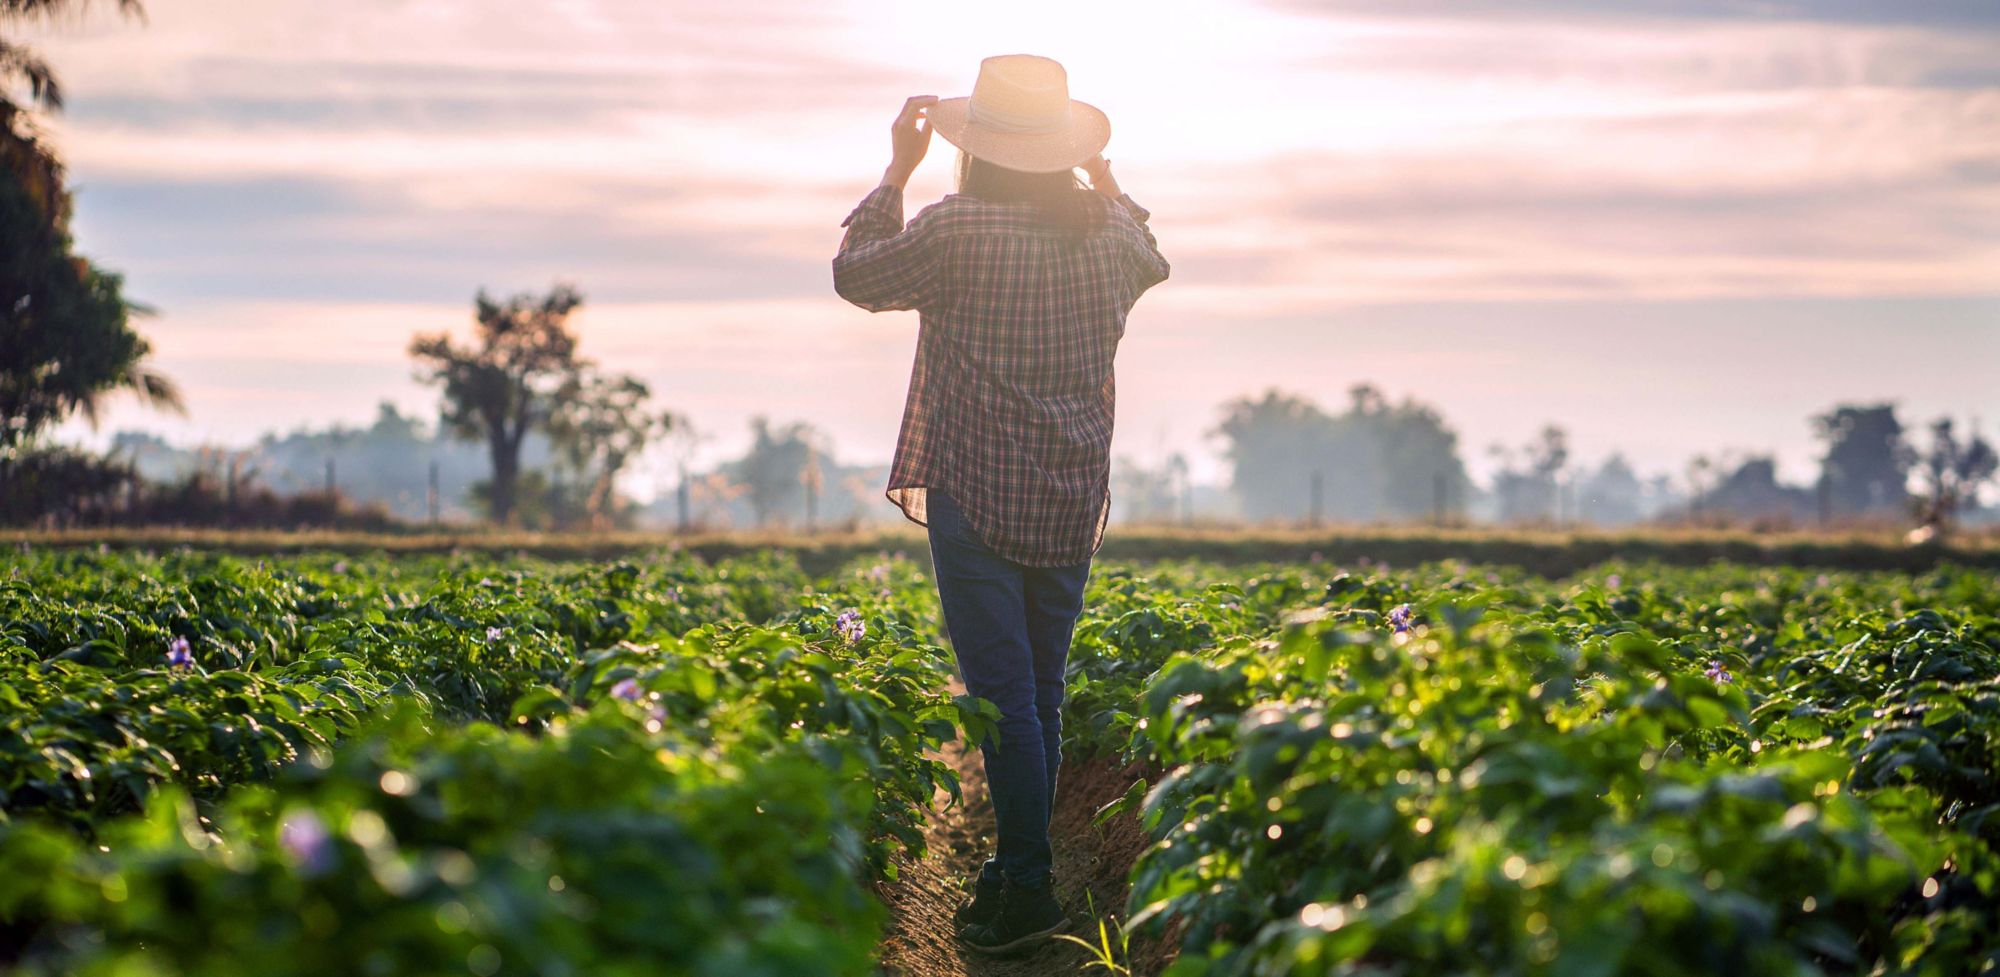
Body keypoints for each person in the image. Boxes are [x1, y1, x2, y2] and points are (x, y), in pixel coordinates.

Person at [831, 54, 1169, 954]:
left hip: (977, 487)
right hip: (1069, 491)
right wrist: (1109, 183)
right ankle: (1019, 869)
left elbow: (857, 275)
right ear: (1062, 152)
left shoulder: (957, 230)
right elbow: (1155, 255)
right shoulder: (1106, 234)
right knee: (1042, 694)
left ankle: (1025, 886)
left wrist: (895, 173)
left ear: (975, 150)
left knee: (1004, 697)